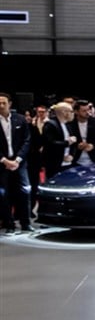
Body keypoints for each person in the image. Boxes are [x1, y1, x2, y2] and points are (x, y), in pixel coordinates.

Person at [0, 93, 33, 233]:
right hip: (2, 163)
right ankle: (9, 223)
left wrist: (18, 160)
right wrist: (4, 160)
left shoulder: (20, 119)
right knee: (3, 194)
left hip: (19, 163)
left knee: (24, 192)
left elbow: (27, 140)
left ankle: (26, 223)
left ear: (10, 104)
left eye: (3, 103)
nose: (1, 106)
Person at [66, 101, 95, 167]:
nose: (87, 113)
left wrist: (93, 146)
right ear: (76, 112)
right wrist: (77, 145)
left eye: (88, 110)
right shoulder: (69, 124)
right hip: (76, 160)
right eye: (84, 111)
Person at [41, 103, 75, 178]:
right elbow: (50, 143)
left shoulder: (68, 125)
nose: (73, 114)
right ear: (64, 112)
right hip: (54, 163)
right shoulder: (50, 124)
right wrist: (67, 143)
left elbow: (73, 143)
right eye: (71, 111)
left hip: (67, 163)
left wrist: (71, 155)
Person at [26, 104, 47, 214]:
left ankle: (31, 209)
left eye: (29, 115)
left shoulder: (33, 129)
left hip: (34, 161)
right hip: (23, 161)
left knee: (34, 186)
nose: (27, 118)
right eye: (26, 116)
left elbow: (40, 142)